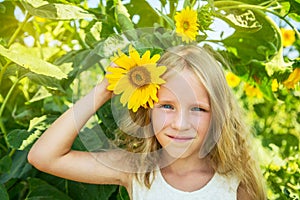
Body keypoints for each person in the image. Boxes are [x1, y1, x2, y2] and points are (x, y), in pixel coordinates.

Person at [28, 45, 266, 200]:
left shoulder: (235, 185)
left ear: (219, 115)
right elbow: (44, 156)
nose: (181, 123)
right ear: (148, 111)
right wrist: (104, 90)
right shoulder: (137, 170)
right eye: (167, 106)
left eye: (198, 109)